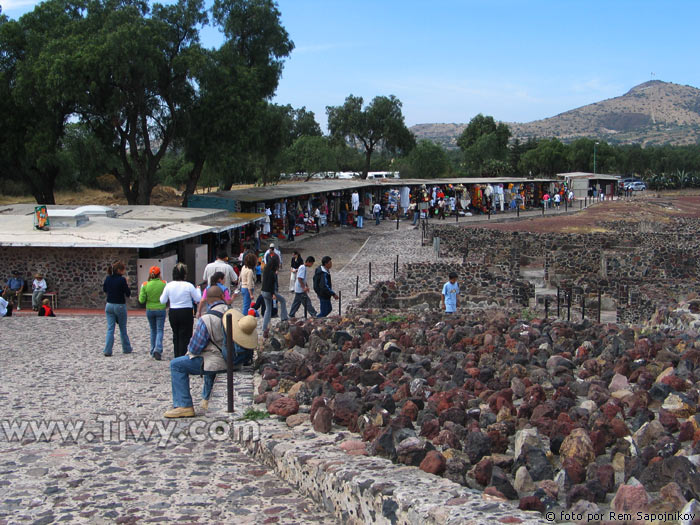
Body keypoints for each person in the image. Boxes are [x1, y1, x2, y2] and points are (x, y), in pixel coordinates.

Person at [163, 287, 259, 418]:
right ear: (222, 296)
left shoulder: (206, 319)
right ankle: (206, 399)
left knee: (177, 365)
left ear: (207, 300)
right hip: (235, 360)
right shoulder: (235, 313)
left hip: (219, 362)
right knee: (209, 357)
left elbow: (194, 349)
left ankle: (184, 405)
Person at [160, 263, 202, 359]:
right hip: (186, 311)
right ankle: (184, 355)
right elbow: (198, 299)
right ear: (184, 274)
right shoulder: (188, 286)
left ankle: (177, 354)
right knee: (186, 335)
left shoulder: (169, 285)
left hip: (173, 311)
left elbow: (162, 300)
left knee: (176, 334)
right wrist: (198, 290)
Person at [102, 261, 133, 356]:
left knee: (110, 328)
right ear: (119, 270)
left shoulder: (108, 278)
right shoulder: (122, 280)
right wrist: (127, 284)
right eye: (123, 269)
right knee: (122, 328)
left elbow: (104, 289)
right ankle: (126, 348)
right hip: (119, 305)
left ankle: (107, 350)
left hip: (109, 305)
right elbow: (128, 293)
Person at [139, 266, 167, 360]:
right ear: (159, 274)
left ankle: (152, 349)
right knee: (160, 330)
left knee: (152, 330)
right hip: (160, 309)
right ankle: (158, 349)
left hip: (150, 309)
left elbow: (141, 300)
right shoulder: (164, 284)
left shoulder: (145, 284)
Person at [261, 255, 288, 336]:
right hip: (269, 292)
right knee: (283, 300)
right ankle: (284, 318)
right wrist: (273, 294)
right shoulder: (272, 273)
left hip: (263, 291)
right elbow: (271, 284)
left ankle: (265, 327)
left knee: (268, 309)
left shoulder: (266, 269)